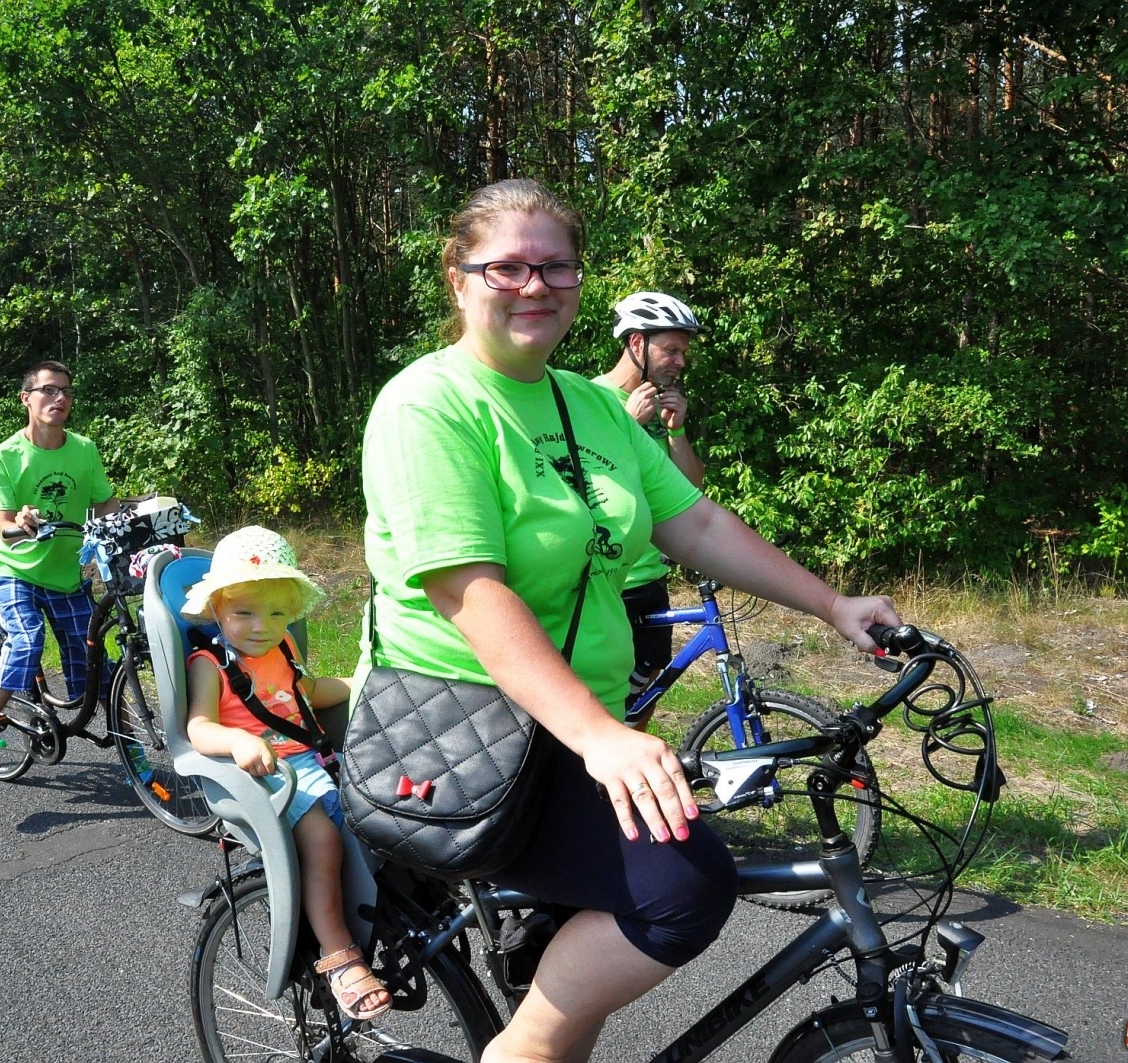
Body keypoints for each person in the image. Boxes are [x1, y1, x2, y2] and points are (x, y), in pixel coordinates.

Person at [359, 177, 900, 1063]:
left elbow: (698, 523)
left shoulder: (593, 404)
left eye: (556, 266)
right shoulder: (429, 405)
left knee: (603, 939)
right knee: (680, 885)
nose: (535, 285)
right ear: (459, 280)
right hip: (464, 731)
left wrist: (835, 603)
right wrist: (603, 737)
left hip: (566, 723)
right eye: (508, 267)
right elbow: (472, 594)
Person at [181, 526, 390, 1022]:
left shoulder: (283, 651)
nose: (262, 626)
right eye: (245, 613)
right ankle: (337, 951)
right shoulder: (209, 664)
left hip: (311, 759)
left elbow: (307, 693)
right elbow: (198, 727)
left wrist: (367, 683)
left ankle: (386, 908)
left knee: (385, 806)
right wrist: (237, 740)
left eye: (277, 613)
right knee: (321, 839)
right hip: (261, 772)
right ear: (217, 610)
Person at [0, 360, 118, 794]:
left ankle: (131, 743)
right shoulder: (3, 457)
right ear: (26, 399)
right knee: (27, 639)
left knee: (92, 661)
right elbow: (3, 529)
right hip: (14, 571)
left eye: (66, 391)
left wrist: (144, 509)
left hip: (67, 575)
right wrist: (23, 521)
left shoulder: (85, 449)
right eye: (49, 390)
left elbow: (105, 505)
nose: (60, 399)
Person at [593, 292, 706, 713]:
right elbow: (585, 485)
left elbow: (690, 489)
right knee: (602, 692)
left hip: (650, 576)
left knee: (646, 687)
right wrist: (630, 427)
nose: (680, 361)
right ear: (637, 344)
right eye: (671, 349)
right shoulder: (592, 400)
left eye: (683, 352)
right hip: (609, 580)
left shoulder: (661, 406)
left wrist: (675, 432)